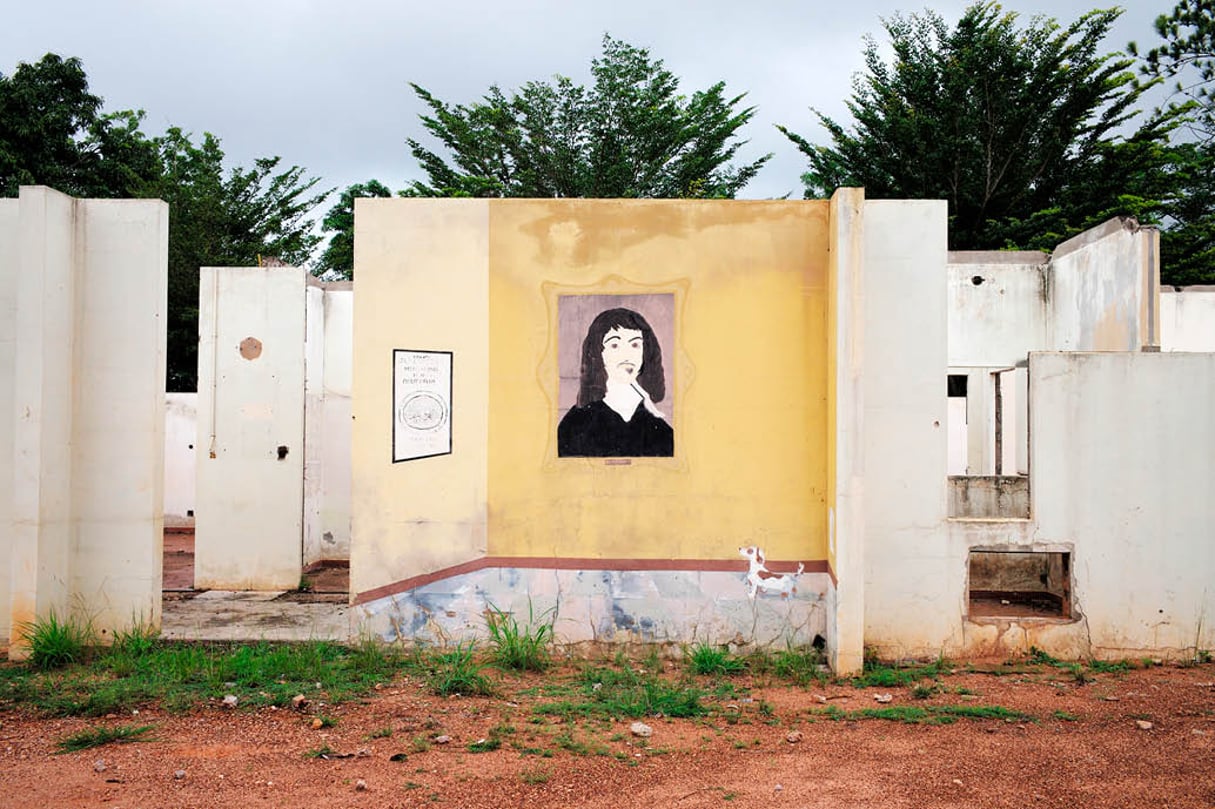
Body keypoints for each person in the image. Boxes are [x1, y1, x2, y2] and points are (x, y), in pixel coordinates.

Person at [558, 307, 674, 457]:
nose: (627, 356)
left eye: (635, 345)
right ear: (597, 354)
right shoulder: (576, 425)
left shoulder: (660, 428)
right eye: (614, 345)